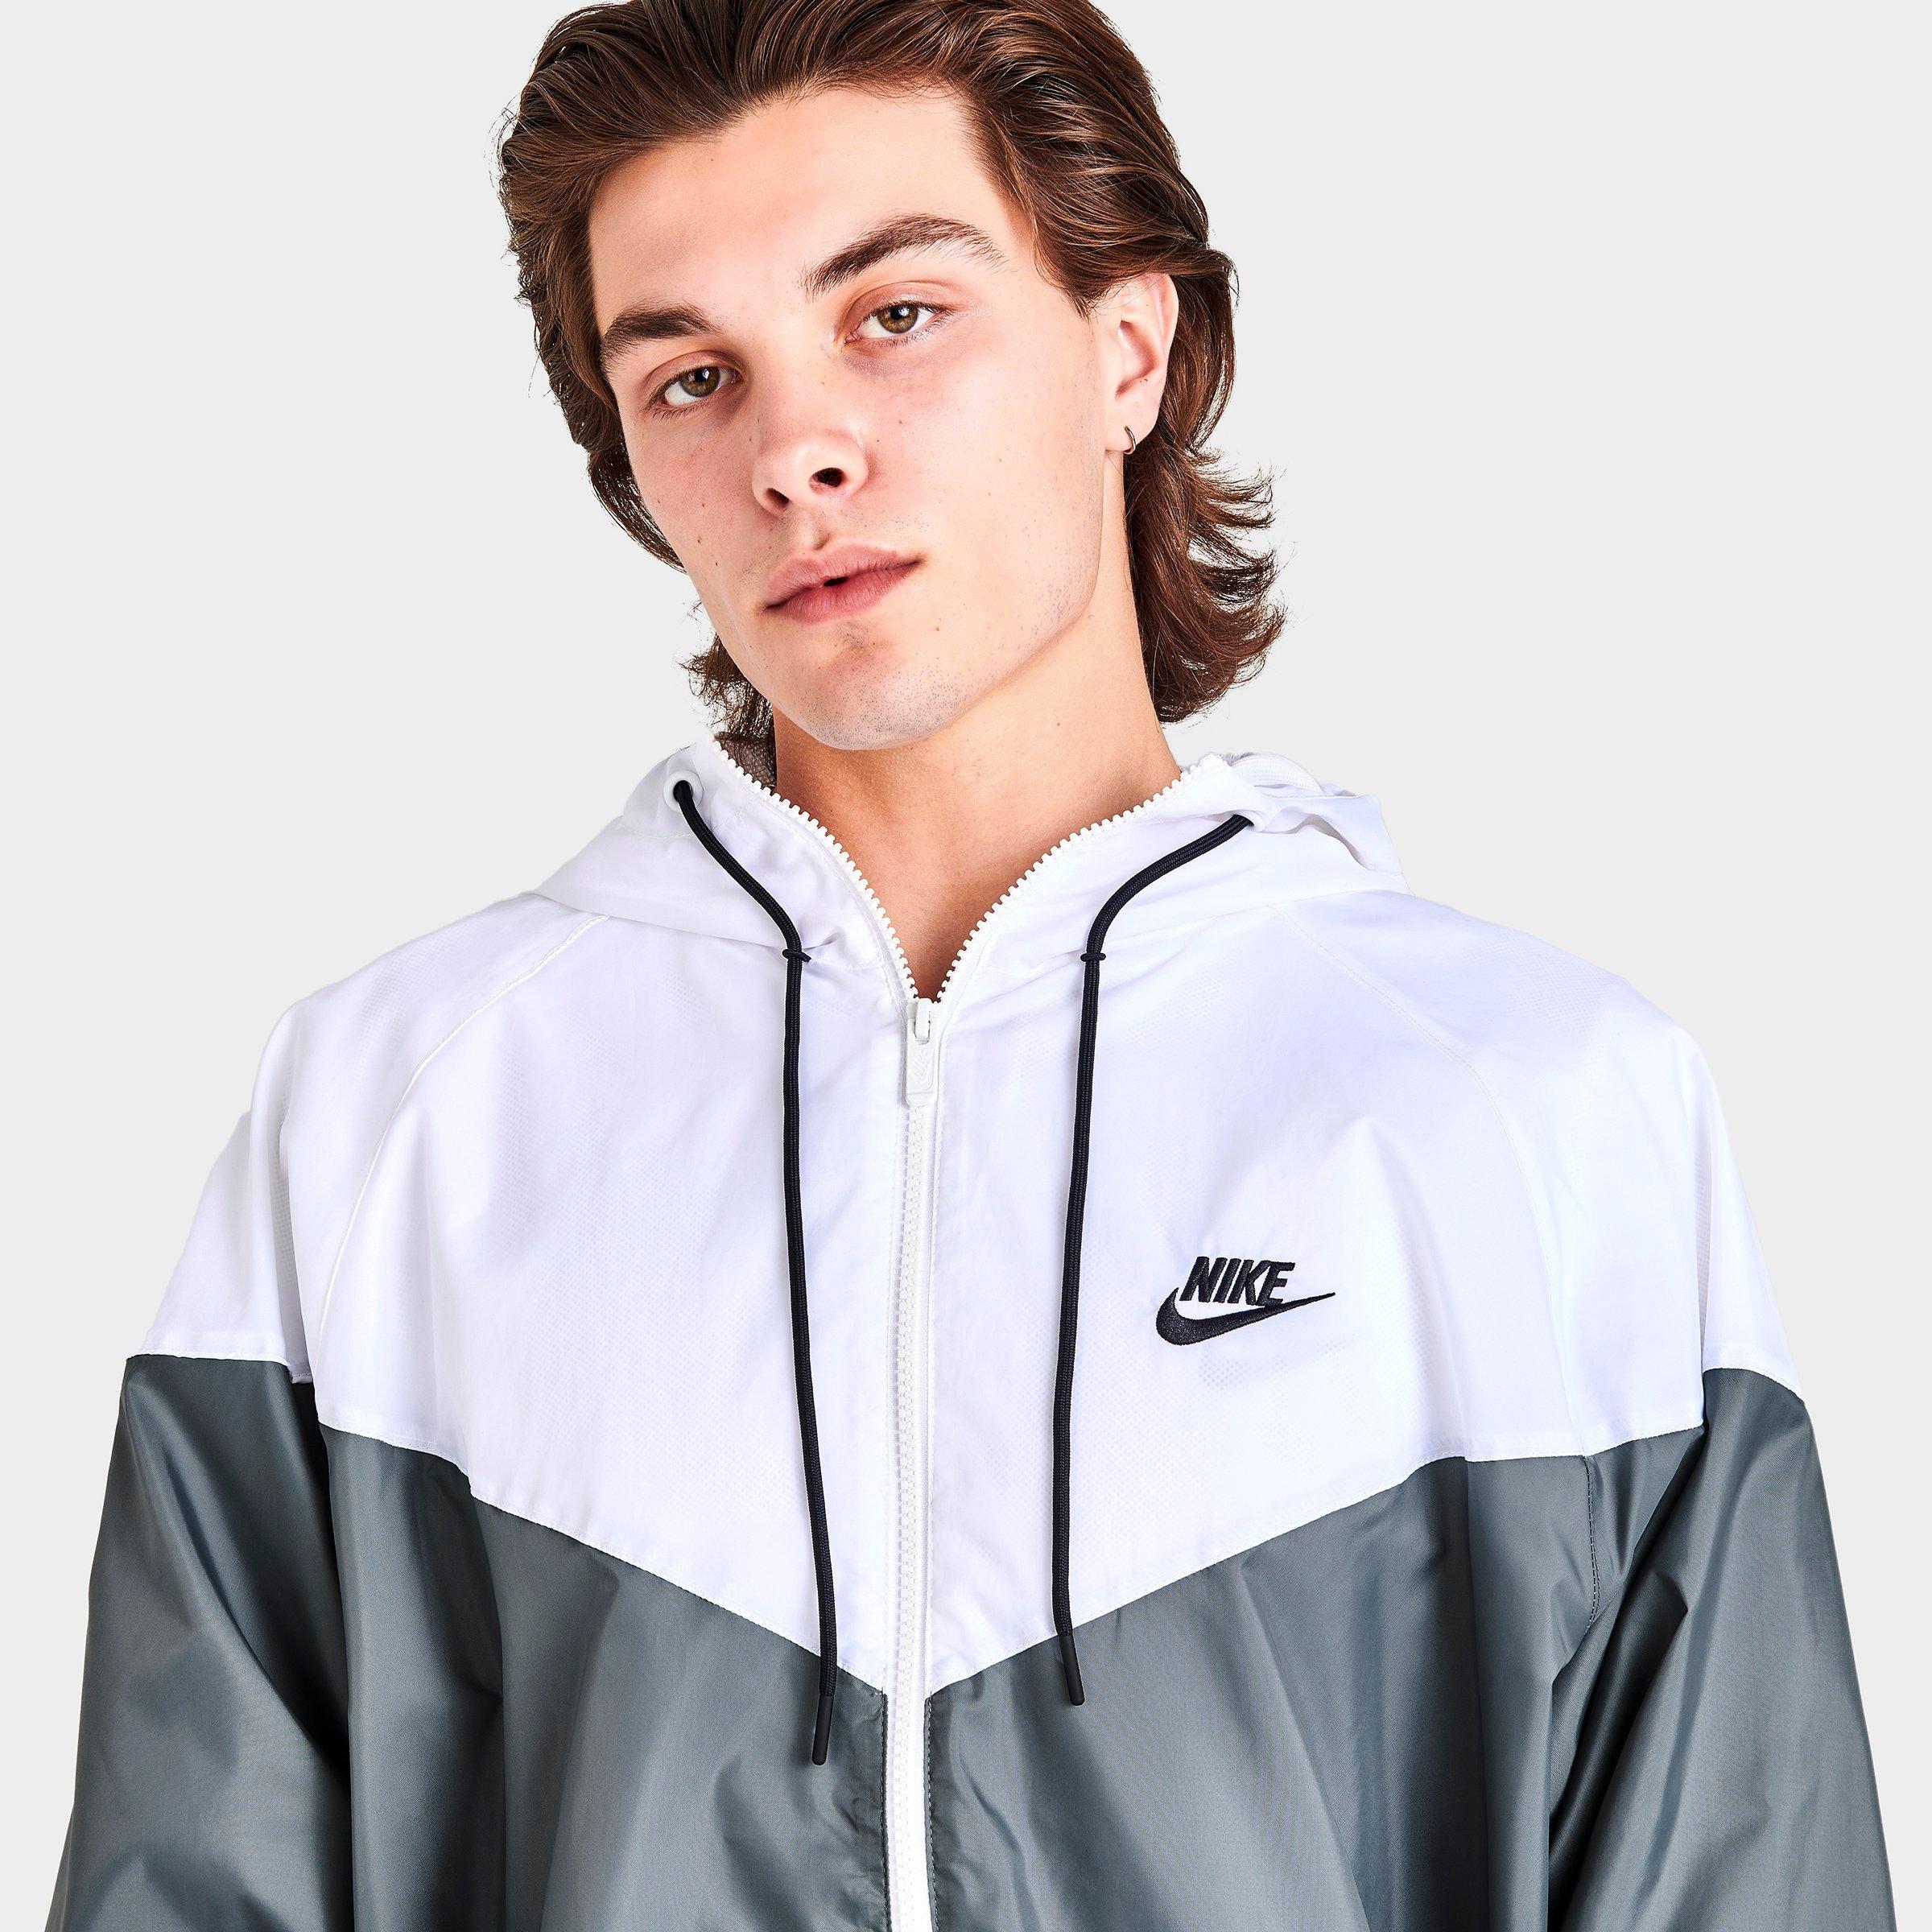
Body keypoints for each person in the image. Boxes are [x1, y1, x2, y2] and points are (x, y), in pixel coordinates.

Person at [47, 1, 1896, 1926]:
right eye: (691, 377)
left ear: (1129, 348)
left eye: (895, 315)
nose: (795, 452)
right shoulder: (386, 1119)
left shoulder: (1540, 1106)